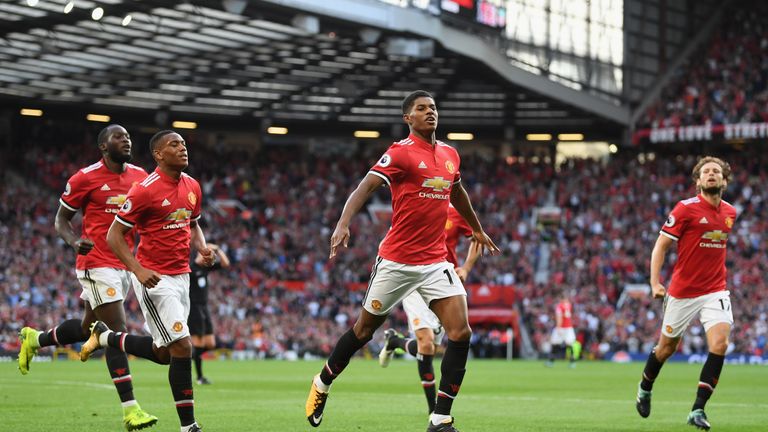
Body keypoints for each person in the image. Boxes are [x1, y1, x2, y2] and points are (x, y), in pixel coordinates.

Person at [304, 90, 500, 432]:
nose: (430, 113)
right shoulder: (401, 153)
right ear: (407, 118)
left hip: (436, 263)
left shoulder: (451, 155)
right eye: (421, 109)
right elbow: (365, 187)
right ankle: (322, 382)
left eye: (433, 107)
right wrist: (342, 223)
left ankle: (440, 417)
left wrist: (477, 228)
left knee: (460, 332)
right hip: (396, 261)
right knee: (364, 331)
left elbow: (457, 191)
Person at [17, 124, 158, 431]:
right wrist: (72, 242)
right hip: (95, 262)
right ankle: (131, 410)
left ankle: (36, 339)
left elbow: (148, 216)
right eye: (118, 137)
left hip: (123, 263)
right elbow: (61, 219)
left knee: (87, 328)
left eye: (128, 137)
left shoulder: (139, 176)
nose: (126, 140)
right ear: (103, 147)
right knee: (115, 331)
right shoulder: (84, 178)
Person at [80, 130, 214, 432]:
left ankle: (105, 337)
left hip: (183, 277)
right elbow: (114, 235)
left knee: (165, 354)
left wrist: (203, 248)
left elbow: (192, 224)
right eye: (174, 144)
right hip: (155, 279)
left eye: (183, 144)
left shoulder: (192, 185)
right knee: (183, 348)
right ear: (158, 154)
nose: (182, 148)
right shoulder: (144, 190)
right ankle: (188, 426)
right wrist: (138, 270)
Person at [635, 156, 737, 431]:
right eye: (706, 172)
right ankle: (645, 387)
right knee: (666, 348)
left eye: (717, 171)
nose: (712, 174)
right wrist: (655, 283)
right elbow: (660, 246)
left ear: (724, 180)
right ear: (698, 181)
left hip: (715, 290)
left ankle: (698, 409)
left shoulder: (730, 213)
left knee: (720, 345)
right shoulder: (684, 209)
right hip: (682, 292)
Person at [378, 204, 481, 415]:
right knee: (425, 344)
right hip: (413, 280)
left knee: (430, 349)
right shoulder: (416, 204)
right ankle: (433, 411)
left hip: (442, 282)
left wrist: (466, 267)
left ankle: (395, 341)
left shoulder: (456, 212)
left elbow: (478, 237)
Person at [188, 243, 230, 385]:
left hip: (204, 308)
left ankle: (188, 356)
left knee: (210, 343)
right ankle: (200, 377)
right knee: (199, 343)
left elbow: (225, 264)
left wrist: (218, 249)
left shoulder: (205, 269)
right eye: (203, 253)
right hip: (194, 308)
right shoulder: (191, 270)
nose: (205, 255)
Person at [545, 292, 576, 367]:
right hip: (569, 328)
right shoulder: (569, 305)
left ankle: (551, 361)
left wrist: (558, 327)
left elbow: (559, 318)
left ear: (560, 299)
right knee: (570, 344)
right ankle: (572, 362)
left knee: (555, 344)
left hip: (561, 327)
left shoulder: (559, 306)